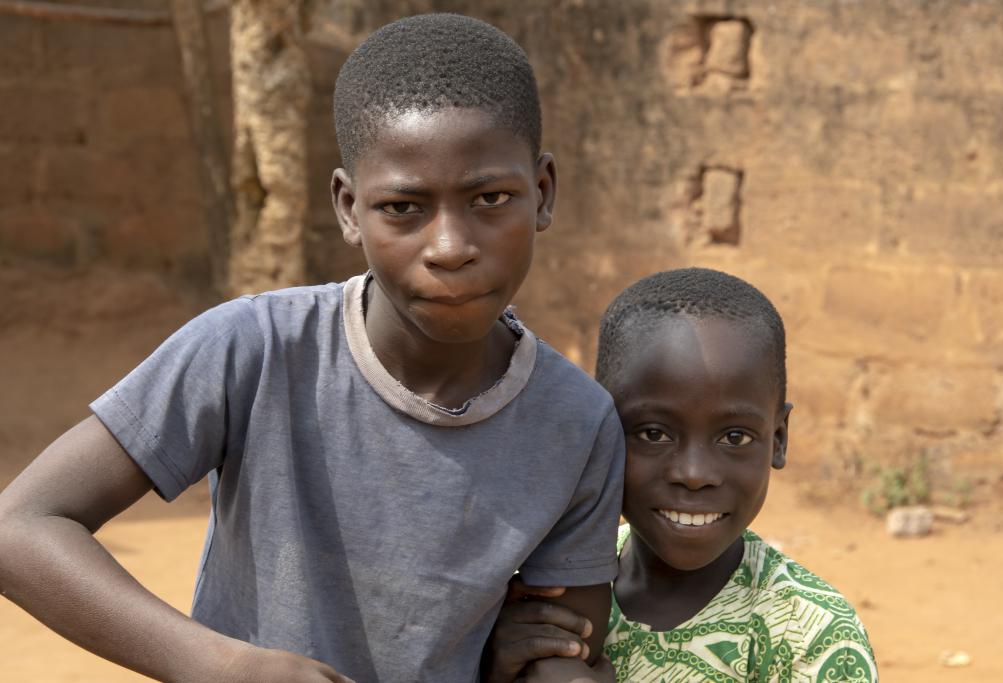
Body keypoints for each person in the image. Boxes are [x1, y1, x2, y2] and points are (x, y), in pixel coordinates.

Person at [0, 14, 624, 683]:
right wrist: (223, 665)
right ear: (350, 208)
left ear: (544, 192)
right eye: (404, 208)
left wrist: (517, 661)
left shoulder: (578, 424)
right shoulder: (254, 350)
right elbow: (21, 528)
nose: (449, 247)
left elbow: (560, 656)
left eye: (490, 197)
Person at [489, 268, 879, 682]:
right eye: (653, 433)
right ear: (601, 428)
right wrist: (494, 668)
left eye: (734, 436)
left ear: (778, 439)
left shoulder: (811, 636)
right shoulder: (548, 593)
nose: (694, 475)